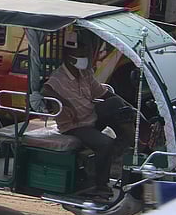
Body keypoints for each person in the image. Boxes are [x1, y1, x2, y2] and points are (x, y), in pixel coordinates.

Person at [42, 34, 134, 198]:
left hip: (90, 117)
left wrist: (129, 107)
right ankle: (101, 186)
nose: (84, 57)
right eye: (80, 54)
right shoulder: (57, 79)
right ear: (68, 55)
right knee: (105, 143)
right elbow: (45, 91)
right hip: (75, 125)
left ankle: (129, 143)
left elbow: (103, 93)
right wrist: (65, 104)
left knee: (115, 105)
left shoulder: (85, 74)